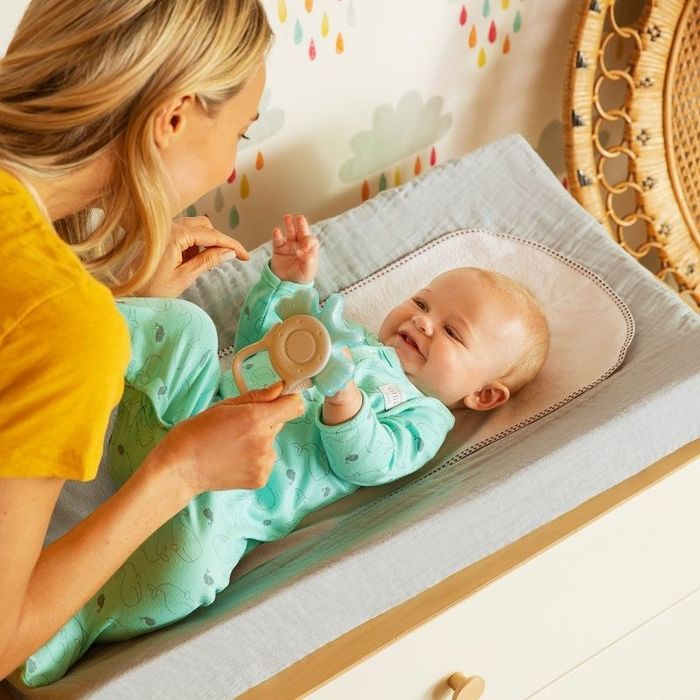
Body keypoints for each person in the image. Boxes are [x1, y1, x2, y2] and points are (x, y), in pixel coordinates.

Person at [20, 214, 550, 685]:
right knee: (189, 328)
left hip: (228, 501)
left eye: (452, 332)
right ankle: (70, 329)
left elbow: (368, 462)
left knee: (192, 576)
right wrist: (287, 282)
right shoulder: (356, 340)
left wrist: (344, 398)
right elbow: (262, 342)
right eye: (421, 301)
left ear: (482, 395)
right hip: (184, 414)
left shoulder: (425, 417)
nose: (421, 321)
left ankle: (81, 619)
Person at [0, 0, 304, 684]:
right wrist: (182, 472)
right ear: (173, 117)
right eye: (239, 134)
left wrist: (113, 307)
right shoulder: (63, 326)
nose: (230, 166)